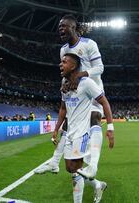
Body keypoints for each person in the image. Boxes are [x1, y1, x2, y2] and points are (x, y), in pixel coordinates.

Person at [35, 14, 106, 181]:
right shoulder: (63, 50)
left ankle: (93, 166)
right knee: (68, 126)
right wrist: (65, 83)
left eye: (64, 25)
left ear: (73, 27)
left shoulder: (89, 44)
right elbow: (66, 71)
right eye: (59, 26)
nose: (61, 28)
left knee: (94, 118)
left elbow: (100, 68)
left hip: (92, 89)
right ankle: (54, 162)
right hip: (75, 93)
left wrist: (81, 75)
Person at [54, 53, 114, 203]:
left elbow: (104, 101)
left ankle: (92, 170)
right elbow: (63, 108)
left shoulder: (86, 81)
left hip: (87, 118)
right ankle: (98, 184)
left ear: (74, 65)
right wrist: (57, 128)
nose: (61, 64)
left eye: (64, 62)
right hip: (73, 126)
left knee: (76, 167)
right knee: (70, 168)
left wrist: (110, 127)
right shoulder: (65, 81)